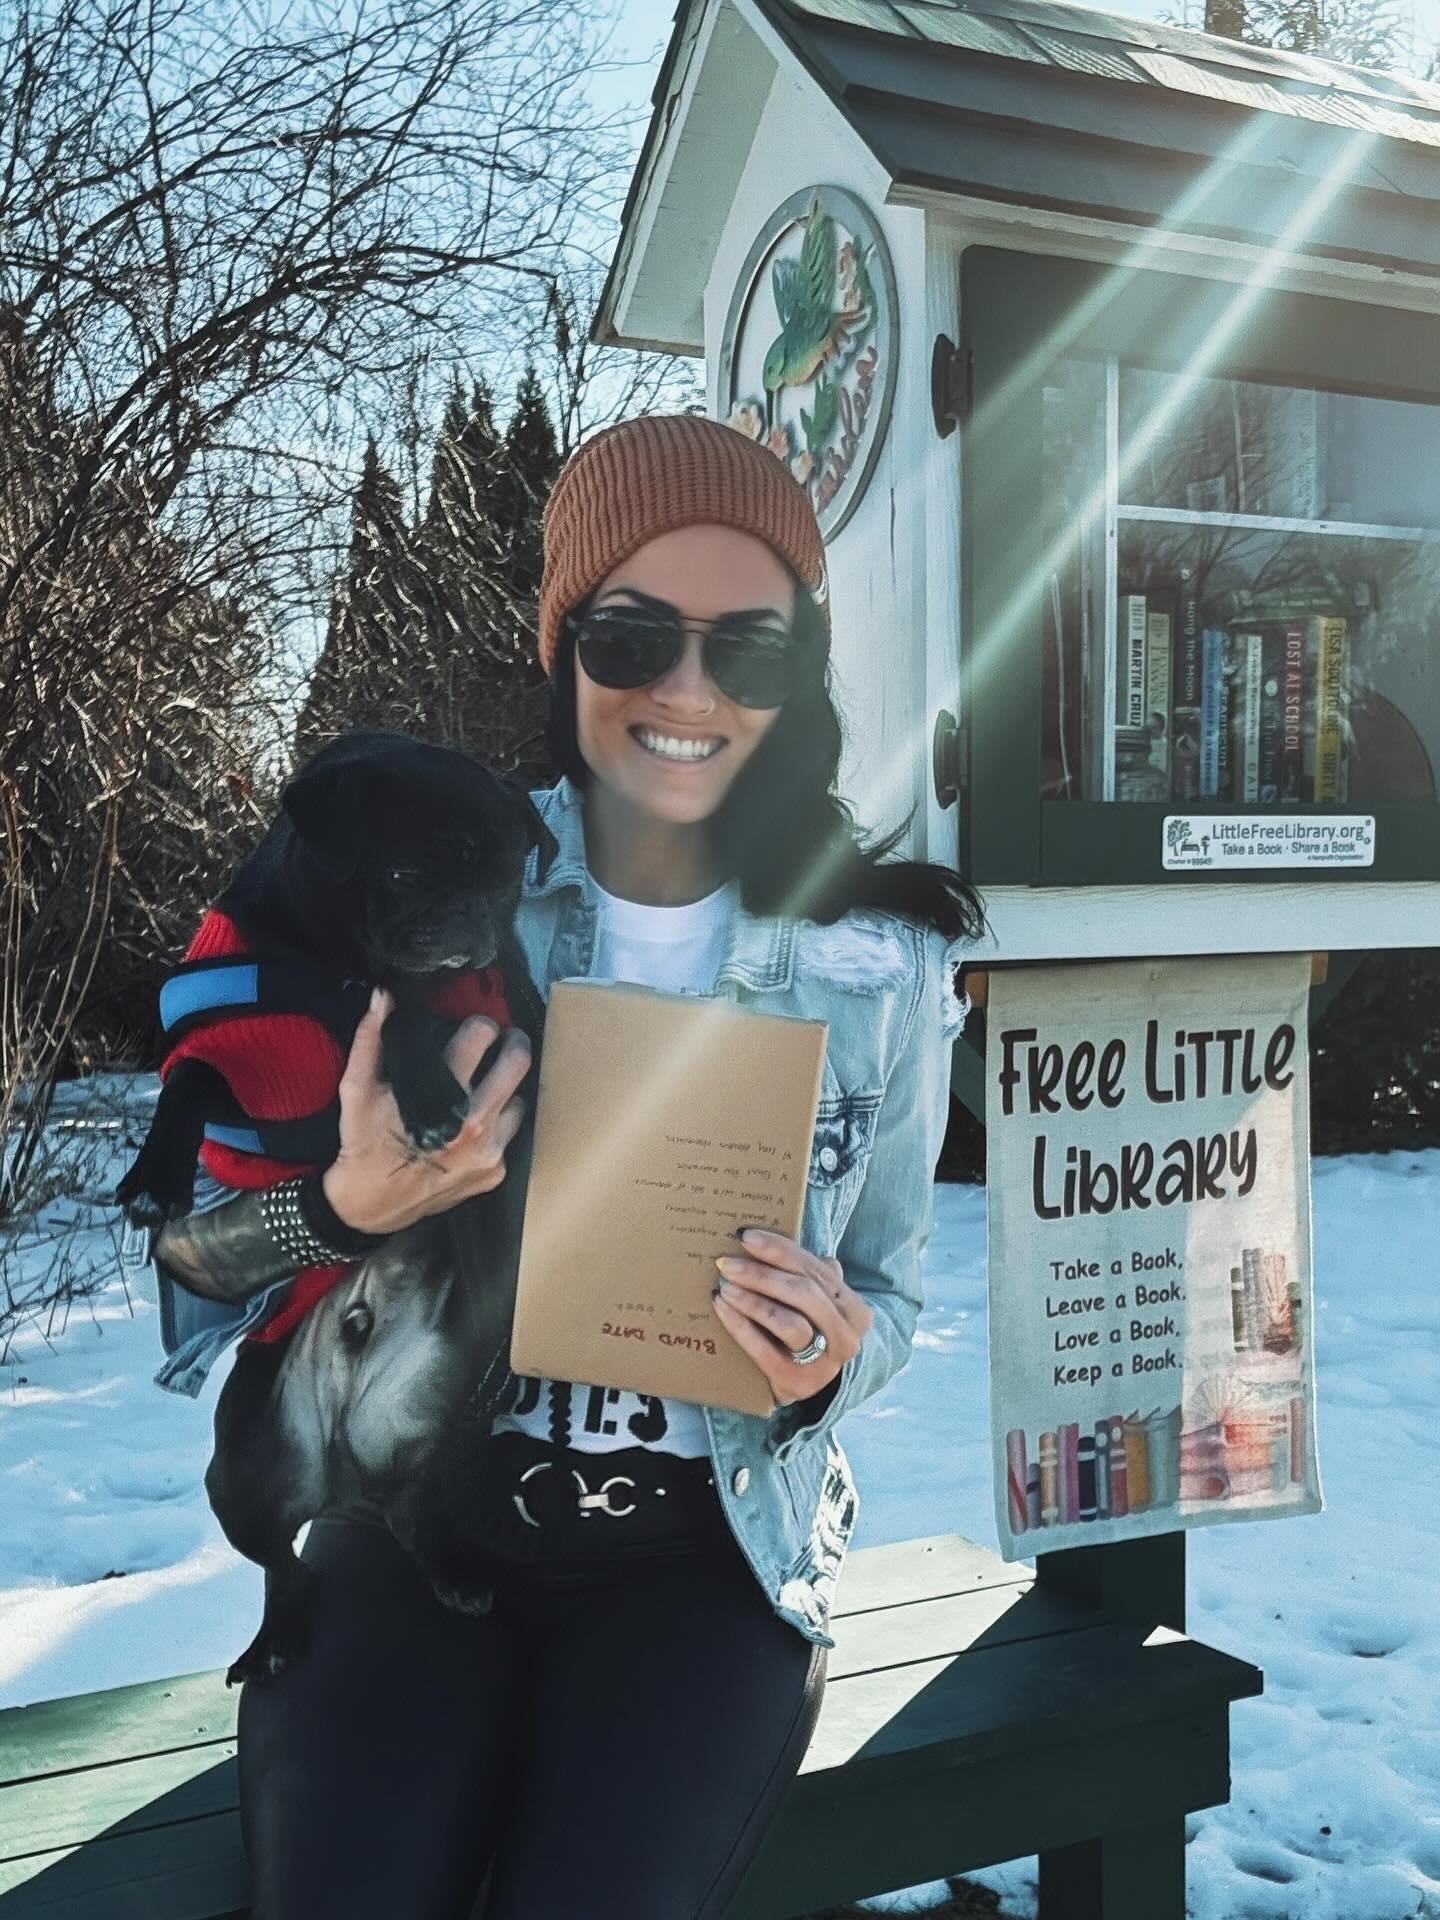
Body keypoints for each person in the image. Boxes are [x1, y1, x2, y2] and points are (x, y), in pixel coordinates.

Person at [150, 413, 984, 1920]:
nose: (687, 690)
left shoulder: (883, 963)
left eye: (752, 650)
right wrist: (340, 1211)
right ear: (563, 648)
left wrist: (829, 1358)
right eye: (632, 634)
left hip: (703, 1561)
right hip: (413, 1531)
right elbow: (196, 1265)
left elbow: (893, 1294)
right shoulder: (425, 883)